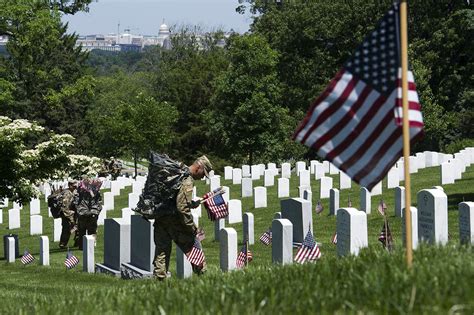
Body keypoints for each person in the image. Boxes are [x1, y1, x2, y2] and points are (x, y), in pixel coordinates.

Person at [152, 155, 212, 280]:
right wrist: (191, 227)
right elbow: (182, 208)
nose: (202, 178)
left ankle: (159, 281)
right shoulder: (187, 180)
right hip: (176, 222)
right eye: (203, 174)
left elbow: (176, 199)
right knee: (194, 248)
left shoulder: (177, 173)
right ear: (198, 168)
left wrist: (191, 204)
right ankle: (204, 278)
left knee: (161, 253)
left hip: (161, 218)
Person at [72, 178, 103, 250]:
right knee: (83, 231)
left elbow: (99, 204)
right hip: (85, 214)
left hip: (88, 213)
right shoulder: (80, 193)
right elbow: (76, 203)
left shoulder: (96, 193)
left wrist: (95, 212)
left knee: (89, 230)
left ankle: (87, 246)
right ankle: (84, 246)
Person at [58, 180, 78, 249]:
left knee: (77, 228)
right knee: (66, 229)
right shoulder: (66, 193)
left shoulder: (75, 192)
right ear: (69, 185)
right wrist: (70, 217)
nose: (75, 187)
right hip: (66, 214)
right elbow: (64, 207)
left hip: (74, 213)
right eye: (73, 185)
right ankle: (63, 244)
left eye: (75, 185)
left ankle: (78, 242)